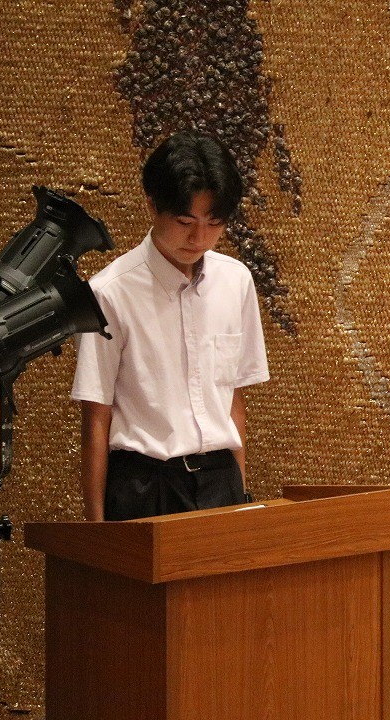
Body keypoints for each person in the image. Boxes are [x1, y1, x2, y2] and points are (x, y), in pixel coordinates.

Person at [72, 132, 269, 522]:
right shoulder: (109, 292)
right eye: (185, 222)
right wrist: (96, 532)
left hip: (220, 480)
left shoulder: (236, 281)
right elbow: (96, 416)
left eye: (214, 223)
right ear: (152, 205)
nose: (199, 238)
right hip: (146, 485)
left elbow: (234, 399)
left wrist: (241, 495)